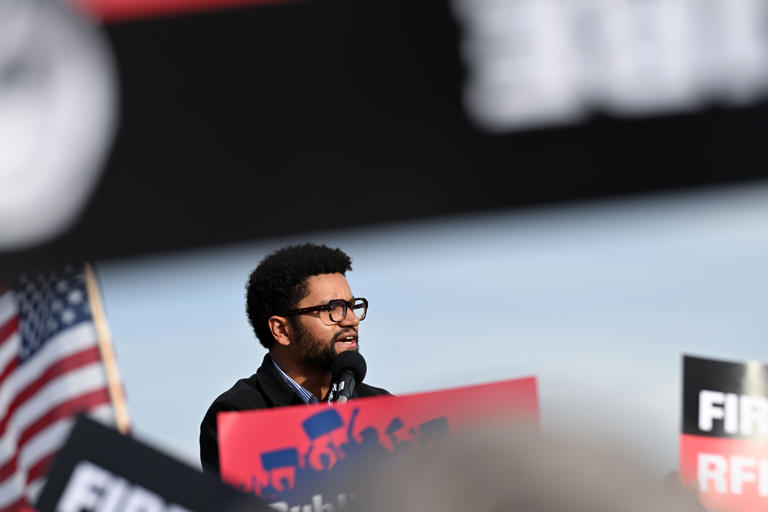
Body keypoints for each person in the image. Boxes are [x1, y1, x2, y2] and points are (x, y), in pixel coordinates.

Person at [199, 242, 390, 475]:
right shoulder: (238, 415)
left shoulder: (380, 405)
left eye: (351, 306)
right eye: (333, 308)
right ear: (282, 330)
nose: (352, 320)